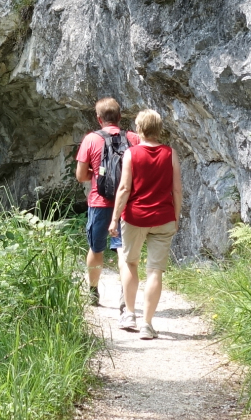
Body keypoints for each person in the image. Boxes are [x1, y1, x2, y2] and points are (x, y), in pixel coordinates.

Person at [109, 109, 180, 340]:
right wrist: (176, 217)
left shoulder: (131, 153)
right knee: (155, 271)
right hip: (163, 217)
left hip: (135, 217)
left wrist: (114, 218)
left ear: (139, 128)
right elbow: (177, 190)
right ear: (159, 129)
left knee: (130, 263)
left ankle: (129, 315)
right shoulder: (170, 154)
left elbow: (124, 188)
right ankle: (147, 325)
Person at [74, 98, 139, 307]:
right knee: (123, 251)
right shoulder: (133, 138)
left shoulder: (91, 139)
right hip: (127, 203)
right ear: (120, 117)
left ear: (98, 118)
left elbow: (80, 175)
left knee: (96, 249)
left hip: (99, 202)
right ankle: (125, 296)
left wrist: (97, 174)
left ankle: (93, 292)